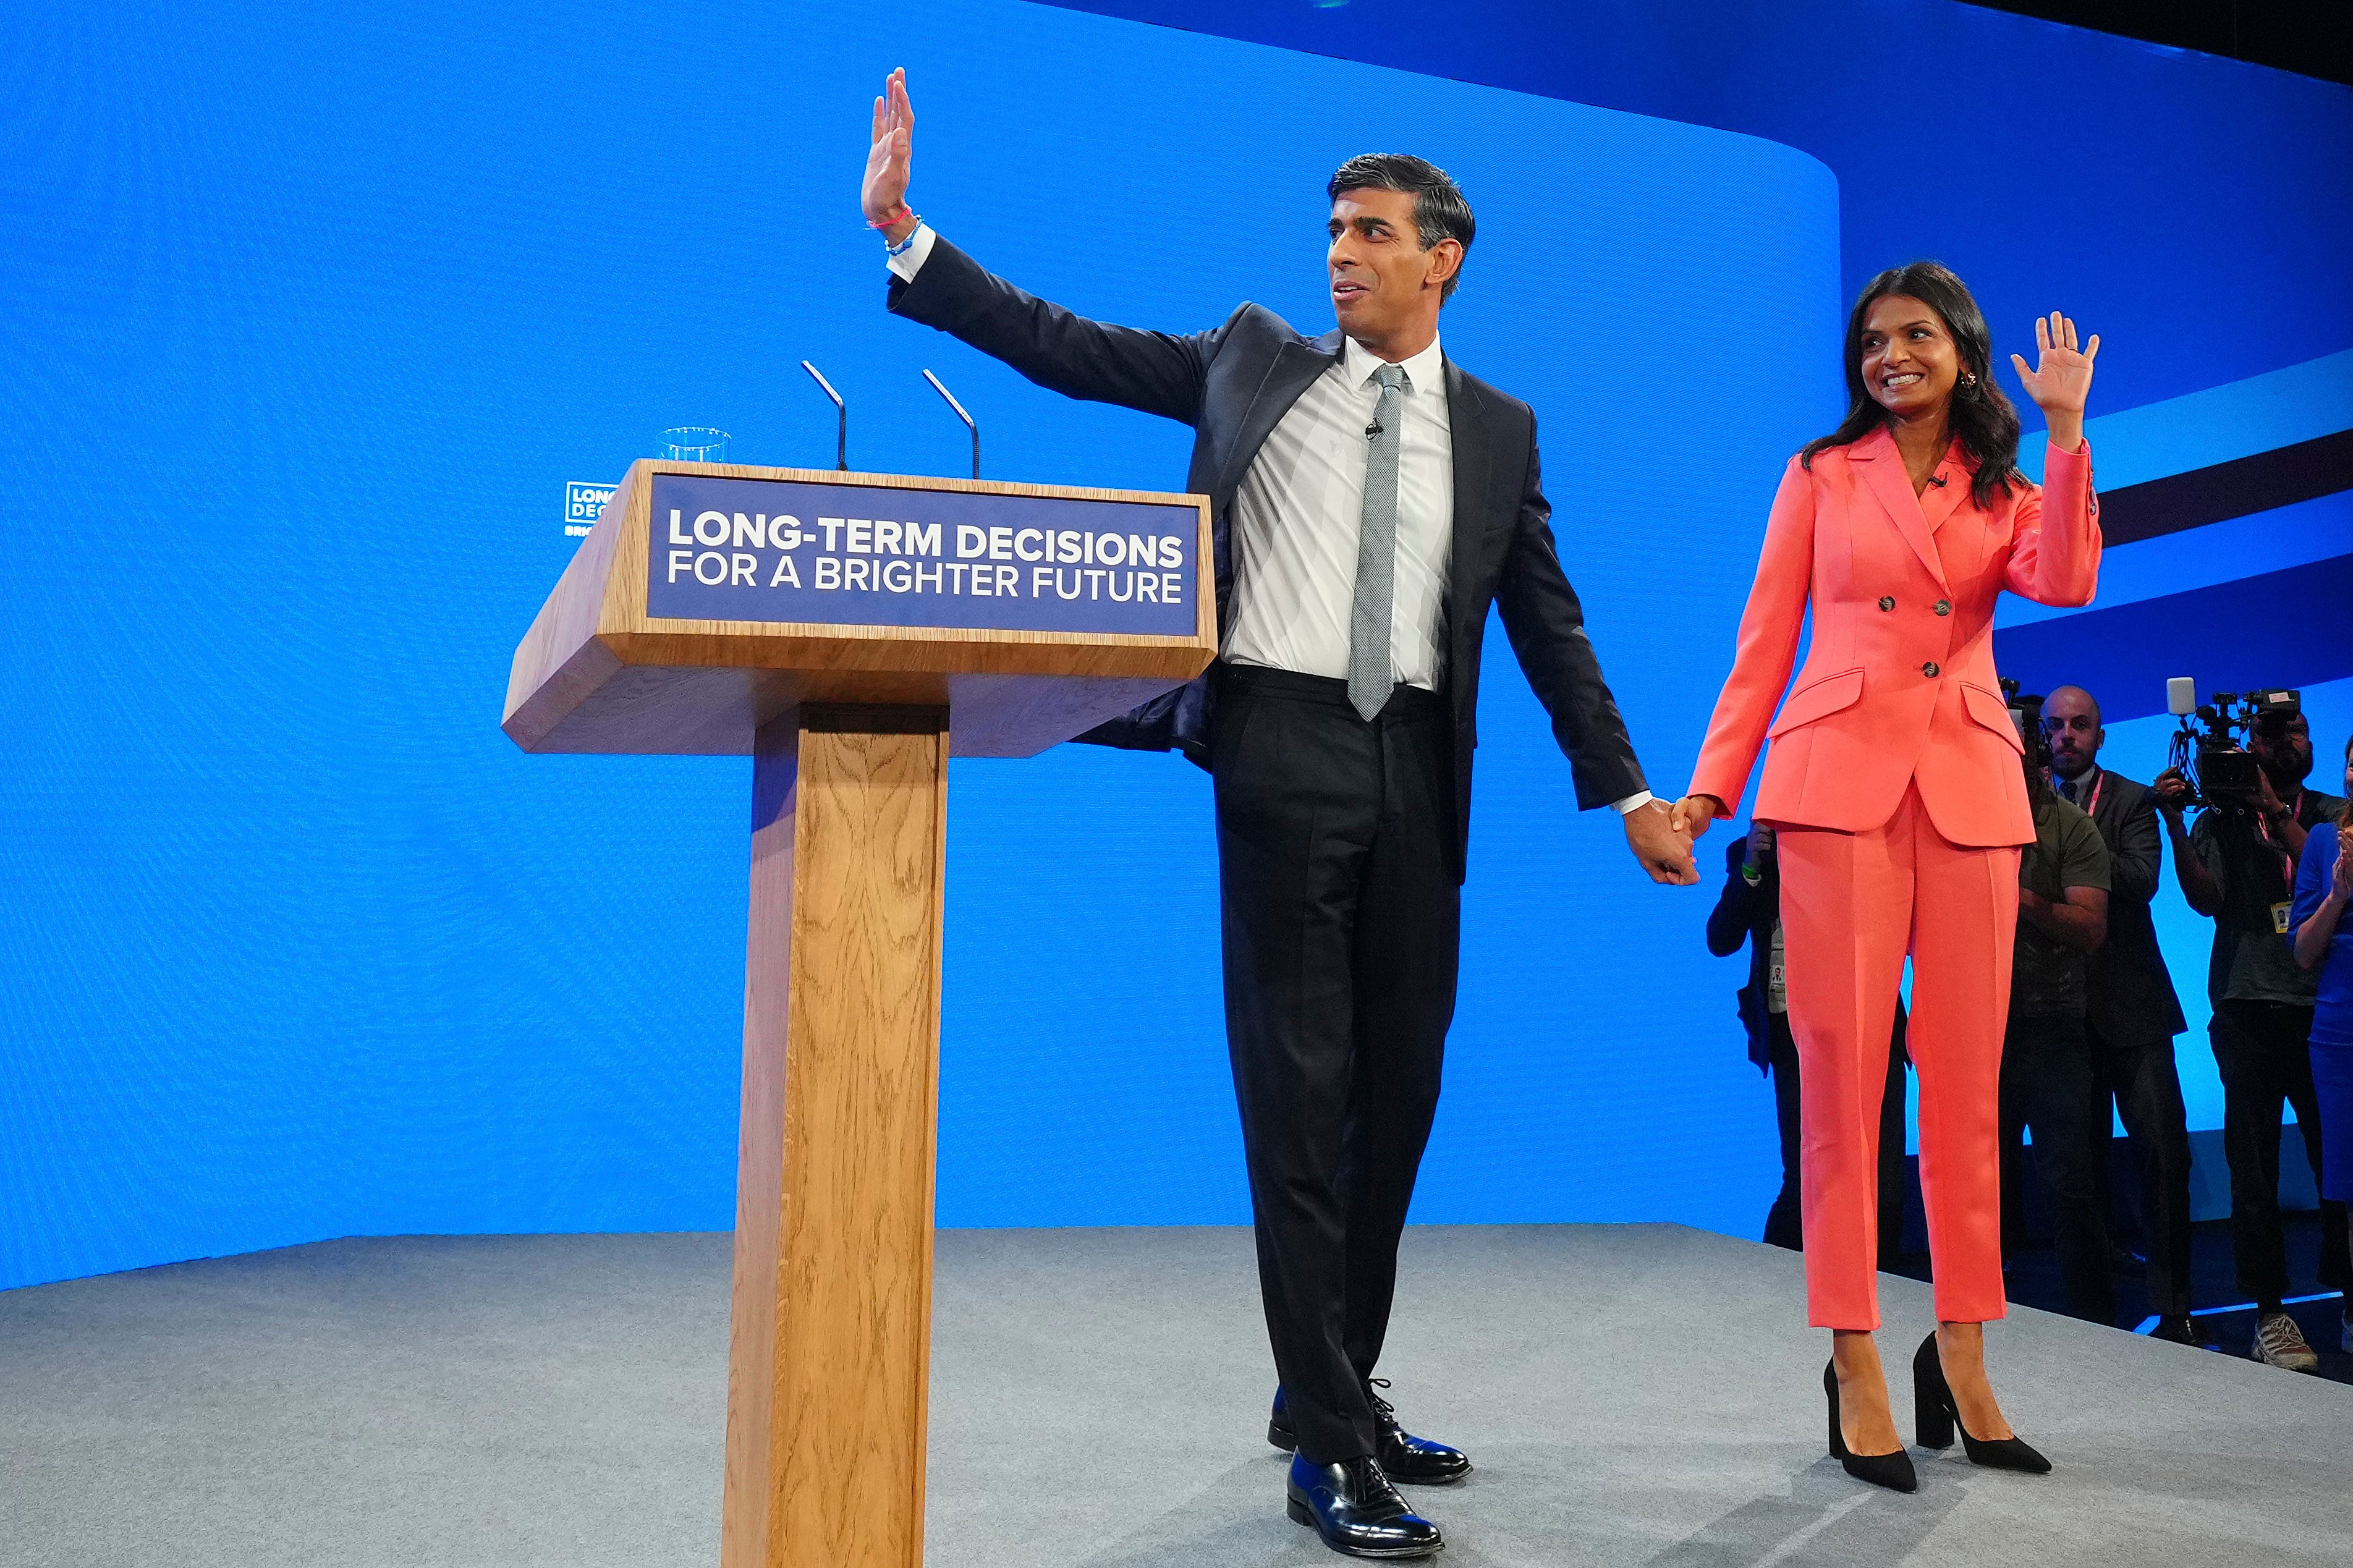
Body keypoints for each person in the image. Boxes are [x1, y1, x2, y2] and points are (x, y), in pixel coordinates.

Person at [859, 70, 1697, 1558]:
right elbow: (1062, 348)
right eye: (1331, 229)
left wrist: (1623, 785)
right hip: (1277, 753)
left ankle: (1330, 1382)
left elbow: (1544, 624)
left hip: (1415, 779)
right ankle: (1325, 1447)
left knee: (1398, 1100)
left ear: (1441, 258)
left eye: (1371, 232)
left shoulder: (1496, 428)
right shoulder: (1249, 358)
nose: (1339, 253)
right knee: (1298, 1108)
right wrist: (914, 238)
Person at [1673, 262, 2101, 1491]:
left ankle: (1960, 1350)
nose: (1889, 354)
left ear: (1960, 351)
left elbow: (2065, 579)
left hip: (1967, 792)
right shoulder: (1819, 472)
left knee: (1968, 1089)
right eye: (1872, 339)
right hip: (1832, 795)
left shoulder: (2010, 486)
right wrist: (1711, 787)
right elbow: (1764, 639)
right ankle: (1853, 1351)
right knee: (1841, 1087)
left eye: (1914, 334)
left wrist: (2066, 433)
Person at [2155, 709, 2353, 1371]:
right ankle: (2268, 1311)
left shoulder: (2333, 814)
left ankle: (2350, 1297)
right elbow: (2206, 899)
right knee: (2254, 1167)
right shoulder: (2223, 816)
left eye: (2295, 729)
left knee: (2341, 1165)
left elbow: (2332, 874)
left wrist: (2276, 810)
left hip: (2324, 1010)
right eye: (2269, 735)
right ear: (2252, 746)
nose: (2284, 743)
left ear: (2311, 740)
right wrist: (2179, 824)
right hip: (2246, 1008)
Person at [2042, 685, 2202, 1342]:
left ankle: (2175, 1306)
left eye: (2080, 724)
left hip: (2134, 1008)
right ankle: (2094, 1314)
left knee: (2163, 1159)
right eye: (2055, 726)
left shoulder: (2132, 799)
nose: (2066, 736)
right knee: (2076, 1170)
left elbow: (2140, 880)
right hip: (2059, 1011)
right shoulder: (2018, 808)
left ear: (2100, 735)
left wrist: (2069, 845)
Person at [1706, 820, 1909, 1260]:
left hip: (1868, 1026)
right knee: (1804, 1177)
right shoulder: (1751, 854)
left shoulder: (1859, 842)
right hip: (1792, 1039)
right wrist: (1749, 869)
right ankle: (1774, 1289)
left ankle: (1884, 1291)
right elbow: (1720, 939)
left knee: (1884, 1183)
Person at [1998, 708, 2115, 1325]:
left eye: (2013, 752)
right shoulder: (1960, 821)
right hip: (1976, 1024)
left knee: (2069, 1182)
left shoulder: (2072, 826)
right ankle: (1971, 1329)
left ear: (2037, 757)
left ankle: (2097, 1324)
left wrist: (2018, 900)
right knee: (1975, 1184)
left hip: (2051, 1021)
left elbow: (2092, 926)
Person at [2291, 732, 2353, 1355]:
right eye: (2352, 760)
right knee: (2350, 1185)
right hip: (2340, 1035)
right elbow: (2304, 952)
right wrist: (2339, 891)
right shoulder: (2321, 841)